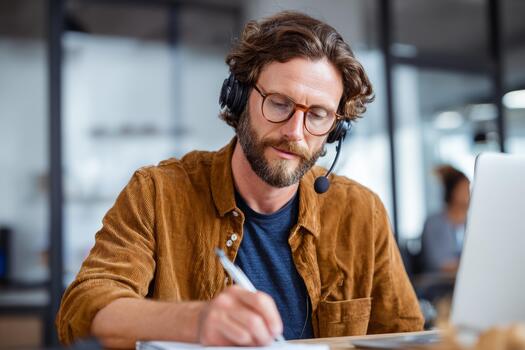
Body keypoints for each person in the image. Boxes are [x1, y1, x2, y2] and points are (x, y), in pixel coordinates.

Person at [56, 11, 423, 348]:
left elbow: (407, 336)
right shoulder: (157, 193)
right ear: (239, 96)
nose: (295, 132)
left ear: (336, 129)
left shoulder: (362, 212)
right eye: (279, 103)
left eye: (318, 115)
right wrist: (195, 321)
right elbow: (83, 309)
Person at [421, 165, 470, 274]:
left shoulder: (472, 223)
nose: (469, 193)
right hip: (440, 285)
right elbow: (440, 263)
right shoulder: (433, 223)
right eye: (464, 189)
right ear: (452, 191)